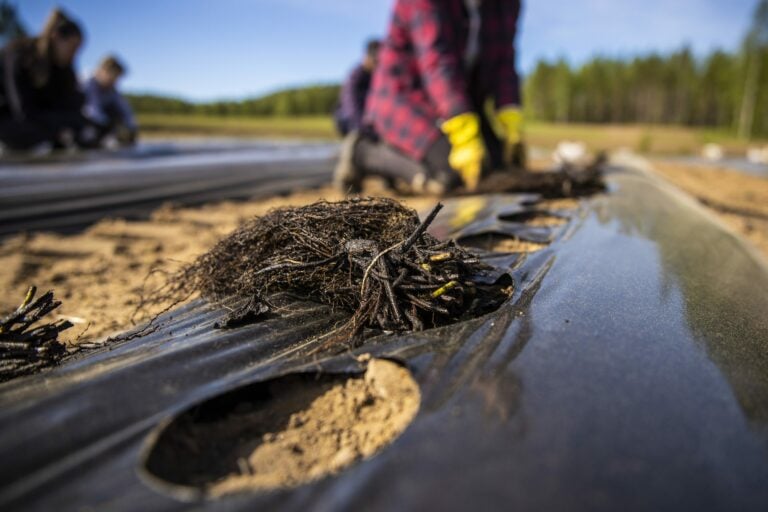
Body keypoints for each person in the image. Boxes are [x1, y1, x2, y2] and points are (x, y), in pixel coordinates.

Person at [334, 0, 525, 194]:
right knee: (452, 173)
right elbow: (437, 60)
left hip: (461, 99)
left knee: (497, 165)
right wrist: (461, 123)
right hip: (406, 95)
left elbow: (505, 58)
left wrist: (510, 112)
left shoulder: (507, 4)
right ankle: (363, 153)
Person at [0, 8, 96, 152]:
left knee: (81, 123)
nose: (74, 54)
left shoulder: (62, 69)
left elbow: (71, 104)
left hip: (40, 121)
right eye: (72, 47)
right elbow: (22, 110)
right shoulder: (18, 54)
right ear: (56, 37)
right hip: (10, 119)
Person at [83, 55, 138, 146]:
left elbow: (124, 108)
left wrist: (131, 127)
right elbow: (92, 110)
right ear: (103, 71)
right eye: (113, 77)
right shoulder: (87, 83)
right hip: (81, 120)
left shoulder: (111, 90)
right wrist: (110, 127)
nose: (115, 82)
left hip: (98, 120)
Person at [334, 39, 380, 136]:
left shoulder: (378, 77)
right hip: (348, 119)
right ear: (366, 57)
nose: (377, 64)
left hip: (368, 118)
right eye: (375, 60)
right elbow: (351, 105)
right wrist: (364, 128)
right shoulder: (356, 76)